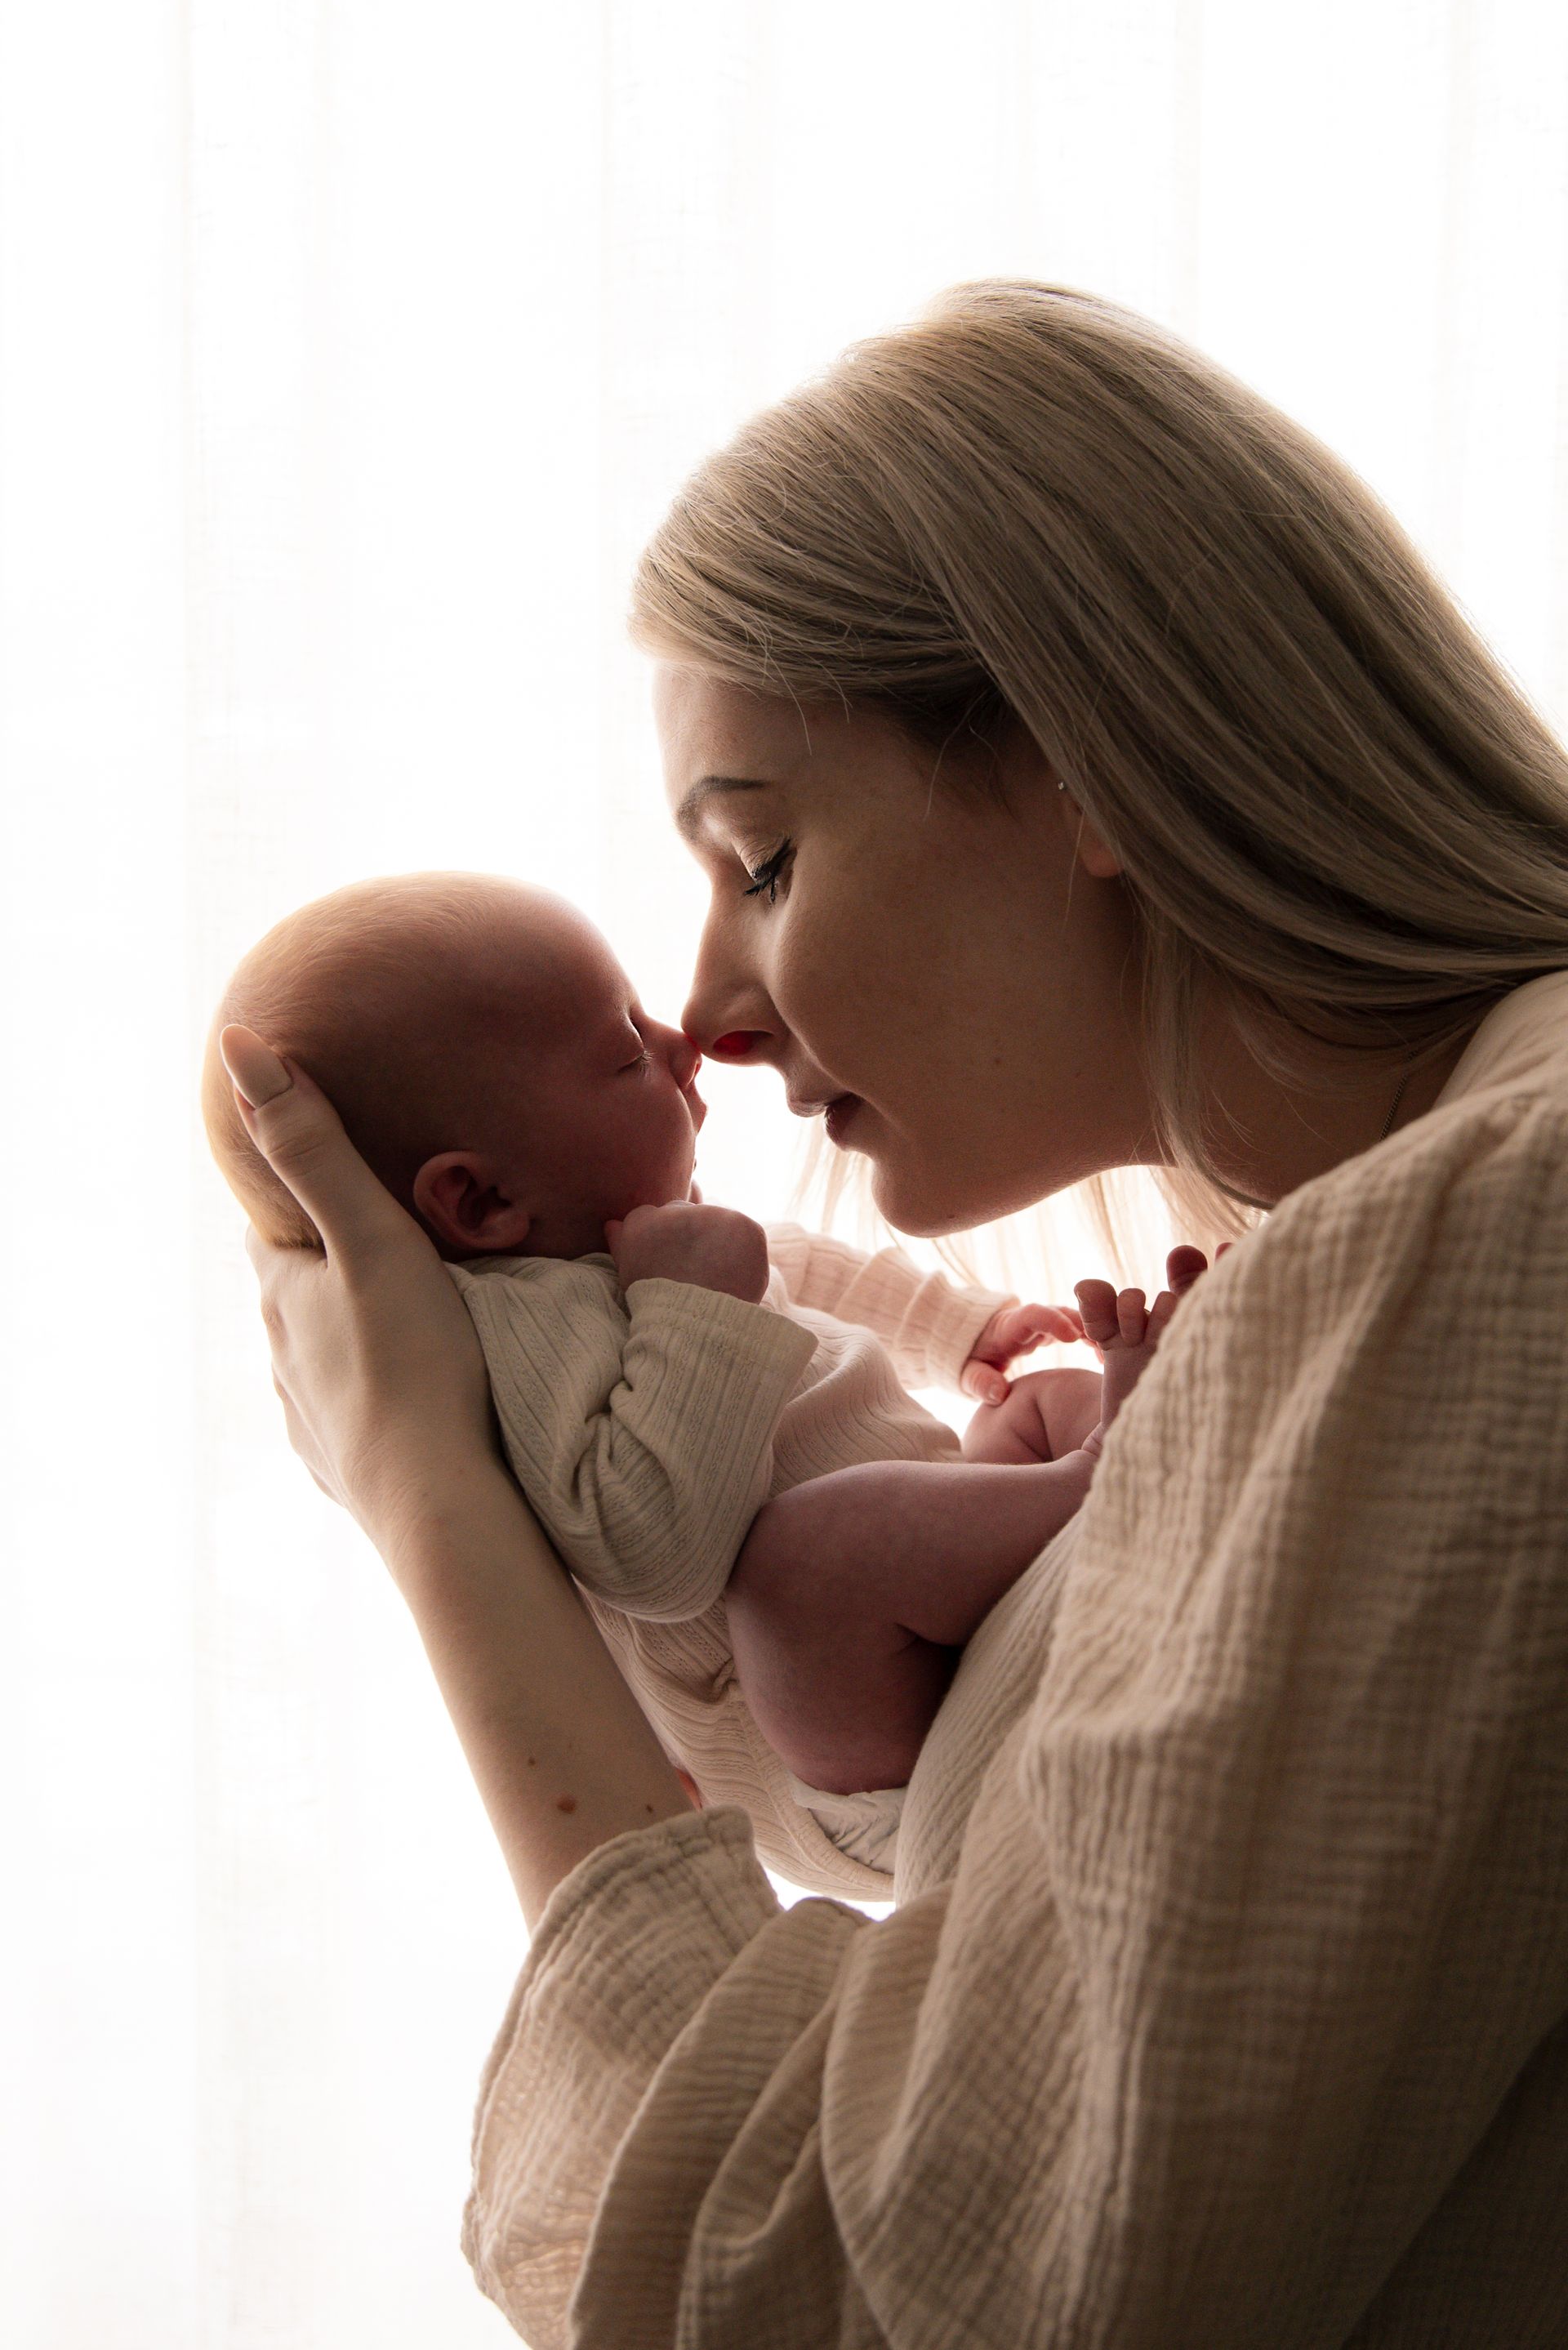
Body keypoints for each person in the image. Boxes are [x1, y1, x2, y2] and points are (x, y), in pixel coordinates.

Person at [220, 282, 1568, 2344]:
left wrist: (444, 1522)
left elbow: (867, 2291)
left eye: (756, 856)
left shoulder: (1491, 1225)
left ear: (1090, 769)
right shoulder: (1388, 1245)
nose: (703, 1015)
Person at [204, 869, 1202, 1890]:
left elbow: (799, 1264)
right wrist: (698, 1307)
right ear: (482, 1196)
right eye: (628, 1050)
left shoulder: (646, 1247)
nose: (682, 1042)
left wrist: (962, 1329)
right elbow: (650, 1553)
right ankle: (1097, 1477)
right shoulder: (508, 1336)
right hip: (843, 1728)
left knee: (1036, 1404)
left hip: (923, 1606)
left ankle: (1098, 1457)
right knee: (800, 1564)